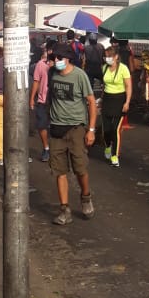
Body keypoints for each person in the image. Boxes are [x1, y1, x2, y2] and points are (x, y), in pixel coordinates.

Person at [47, 42, 97, 225]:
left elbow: (91, 102)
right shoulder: (51, 74)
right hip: (56, 128)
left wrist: (91, 130)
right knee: (59, 171)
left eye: (59, 58)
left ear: (68, 58)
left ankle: (85, 197)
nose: (56, 61)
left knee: (80, 169)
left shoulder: (79, 76)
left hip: (76, 128)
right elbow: (49, 98)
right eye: (53, 58)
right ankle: (64, 209)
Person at [101, 45, 132, 167]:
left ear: (116, 57)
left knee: (115, 129)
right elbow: (104, 85)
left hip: (120, 100)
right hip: (107, 100)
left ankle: (115, 155)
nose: (107, 59)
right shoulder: (104, 68)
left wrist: (127, 102)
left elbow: (128, 86)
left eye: (109, 56)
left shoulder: (123, 69)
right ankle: (107, 146)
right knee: (106, 130)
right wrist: (101, 99)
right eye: (106, 56)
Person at [30, 42, 55, 162]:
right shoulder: (40, 64)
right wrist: (31, 98)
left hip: (56, 102)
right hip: (42, 100)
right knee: (41, 125)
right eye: (49, 51)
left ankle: (56, 149)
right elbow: (36, 81)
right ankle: (46, 148)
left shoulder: (61, 66)